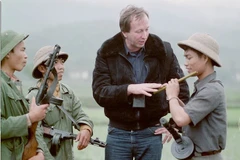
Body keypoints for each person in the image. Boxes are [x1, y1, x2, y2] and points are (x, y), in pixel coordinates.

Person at [92, 5, 189, 160]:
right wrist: (129, 89)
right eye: (139, 31)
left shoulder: (164, 51)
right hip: (118, 134)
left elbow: (182, 90)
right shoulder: (107, 52)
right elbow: (99, 92)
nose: (145, 35)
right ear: (124, 32)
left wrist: (175, 125)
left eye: (147, 29)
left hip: (151, 133)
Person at [165, 33, 227, 160]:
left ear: (205, 58)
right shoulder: (203, 87)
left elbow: (181, 119)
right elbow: (188, 116)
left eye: (189, 58)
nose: (186, 63)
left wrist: (172, 96)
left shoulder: (212, 90)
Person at [26, 45, 94, 160]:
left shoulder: (68, 92)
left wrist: (86, 129)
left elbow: (80, 114)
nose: (61, 67)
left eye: (62, 62)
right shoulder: (34, 97)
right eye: (55, 62)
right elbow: (34, 135)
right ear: (42, 69)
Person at [1, 30, 49, 160]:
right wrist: (30, 117)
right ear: (8, 53)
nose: (26, 56)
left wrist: (38, 152)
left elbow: (28, 132)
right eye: (22, 50)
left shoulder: (14, 84)